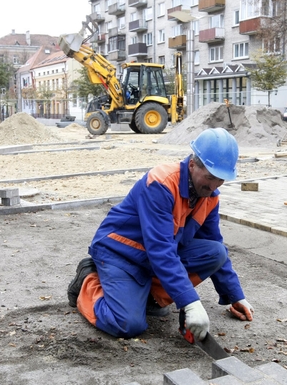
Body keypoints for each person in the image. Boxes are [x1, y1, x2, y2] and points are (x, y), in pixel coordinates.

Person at [68, 128, 254, 341]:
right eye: (210, 177)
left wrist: (235, 295)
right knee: (127, 324)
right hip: (121, 253)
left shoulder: (209, 196)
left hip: (152, 256)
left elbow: (212, 242)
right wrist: (190, 302)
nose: (214, 186)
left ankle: (149, 298)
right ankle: (88, 281)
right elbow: (160, 250)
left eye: (221, 179)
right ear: (192, 165)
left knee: (216, 252)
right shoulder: (161, 183)